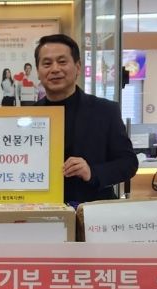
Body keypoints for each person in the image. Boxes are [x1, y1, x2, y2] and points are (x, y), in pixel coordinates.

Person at [34, 34, 138, 204]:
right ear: (38, 72)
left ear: (78, 67)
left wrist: (92, 172)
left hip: (93, 212)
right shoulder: (28, 116)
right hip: (41, 210)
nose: (55, 69)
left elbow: (128, 163)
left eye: (62, 62)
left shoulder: (105, 111)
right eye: (47, 63)